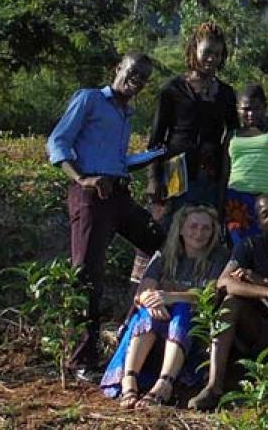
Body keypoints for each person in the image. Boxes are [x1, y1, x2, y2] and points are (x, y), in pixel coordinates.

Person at [47, 52, 164, 380]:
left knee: (162, 242)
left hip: (118, 194)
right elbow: (57, 141)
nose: (136, 81)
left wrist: (159, 153)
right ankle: (81, 359)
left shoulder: (127, 112)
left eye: (143, 78)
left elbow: (119, 160)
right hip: (90, 195)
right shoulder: (89, 99)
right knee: (87, 275)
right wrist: (81, 178)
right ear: (118, 68)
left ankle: (135, 322)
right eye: (133, 73)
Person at [187, 194, 268, 411]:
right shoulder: (250, 245)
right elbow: (223, 282)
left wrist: (266, 281)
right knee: (231, 302)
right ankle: (213, 387)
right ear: (258, 223)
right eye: (265, 214)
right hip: (256, 327)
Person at [101, 205, 229, 408]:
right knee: (146, 312)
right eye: (193, 226)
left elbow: (210, 295)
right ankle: (129, 378)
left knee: (181, 311)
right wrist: (152, 301)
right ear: (180, 229)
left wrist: (170, 296)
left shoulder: (219, 257)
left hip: (191, 327)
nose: (199, 233)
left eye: (206, 228)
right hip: (154, 322)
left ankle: (165, 382)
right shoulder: (164, 255)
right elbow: (144, 290)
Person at [145, 22, 238, 232]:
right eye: (207, 52)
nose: (211, 59)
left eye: (217, 54)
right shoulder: (172, 89)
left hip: (211, 176)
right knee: (171, 233)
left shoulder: (226, 93)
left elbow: (233, 137)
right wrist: (153, 179)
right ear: (194, 49)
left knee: (205, 233)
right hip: (176, 173)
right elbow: (157, 138)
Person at [220, 84, 268, 245]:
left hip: (267, 199)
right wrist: (220, 208)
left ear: (265, 107)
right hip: (236, 200)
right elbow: (225, 174)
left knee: (266, 246)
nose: (251, 114)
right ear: (237, 109)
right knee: (239, 247)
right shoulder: (232, 135)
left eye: (256, 108)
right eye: (245, 109)